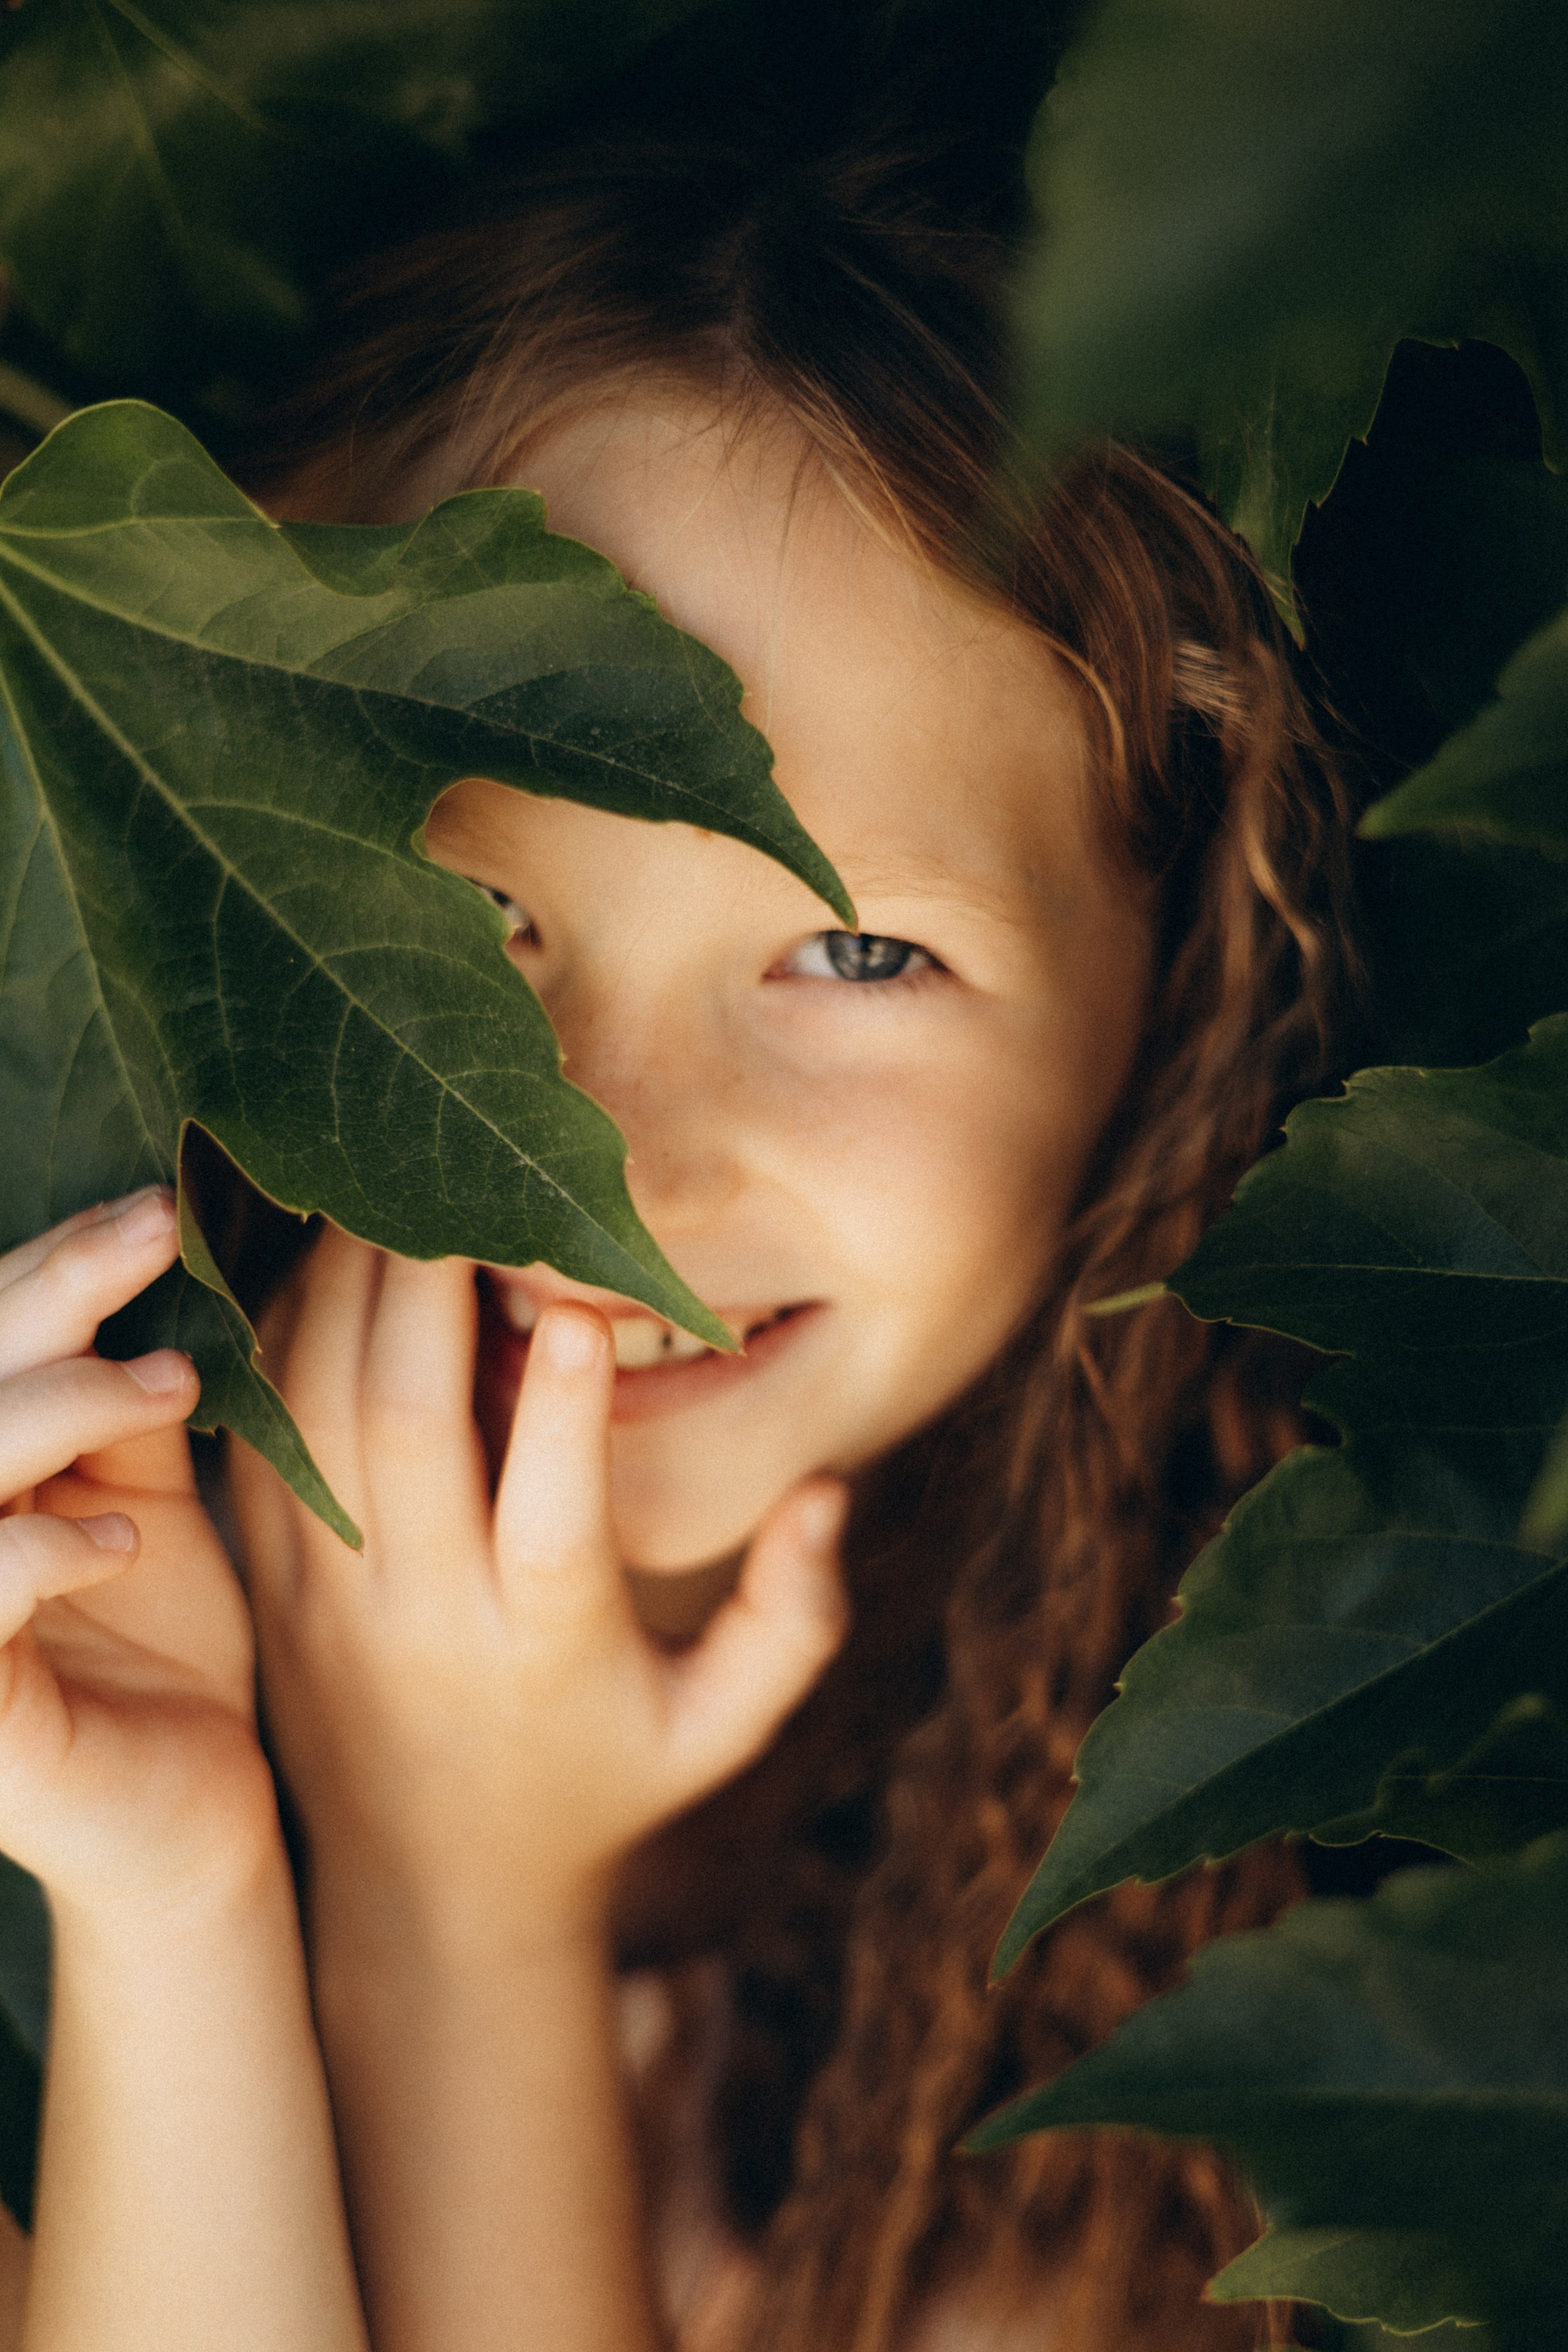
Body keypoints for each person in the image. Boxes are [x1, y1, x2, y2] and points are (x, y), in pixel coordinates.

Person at [0, 88, 1355, 2352]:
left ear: (1176, 1000)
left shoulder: (1142, 2044)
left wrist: (456, 1912)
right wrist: (171, 1895)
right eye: (477, 917)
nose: (601, 1152)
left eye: (852, 954)